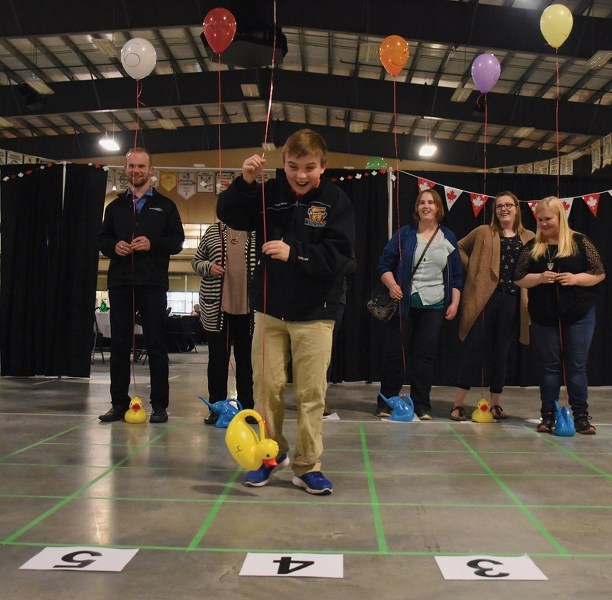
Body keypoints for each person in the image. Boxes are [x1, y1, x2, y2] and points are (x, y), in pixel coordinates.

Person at [217, 128, 355, 495]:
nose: (301, 175)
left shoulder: (336, 201)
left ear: (323, 166)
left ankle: (308, 466)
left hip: (316, 313)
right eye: (293, 166)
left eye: (309, 167)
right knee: (266, 388)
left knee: (312, 393)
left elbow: (340, 257)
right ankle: (270, 454)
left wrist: (296, 253)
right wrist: (243, 183)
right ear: (283, 163)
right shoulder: (268, 194)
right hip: (270, 311)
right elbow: (230, 214)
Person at [98, 147, 185, 423]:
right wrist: (114, 246)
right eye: (131, 166)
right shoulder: (114, 207)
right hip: (121, 283)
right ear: (125, 170)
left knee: (157, 344)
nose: (136, 170)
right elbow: (101, 240)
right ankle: (118, 403)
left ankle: (160, 405)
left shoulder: (166, 206)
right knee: (120, 345)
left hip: (153, 284)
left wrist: (152, 244)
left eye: (141, 166)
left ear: (151, 171)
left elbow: (177, 242)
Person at [514, 196, 605, 435]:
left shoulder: (580, 242)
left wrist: (575, 279)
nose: (544, 224)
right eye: (540, 219)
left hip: (579, 314)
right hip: (544, 316)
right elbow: (519, 277)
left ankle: (581, 417)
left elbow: (598, 273)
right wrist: (540, 278)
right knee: (550, 367)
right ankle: (548, 416)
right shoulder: (532, 247)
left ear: (560, 217)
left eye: (548, 219)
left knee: (576, 366)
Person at [376, 188, 462, 419]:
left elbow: (456, 276)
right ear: (417, 207)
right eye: (422, 202)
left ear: (438, 208)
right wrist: (392, 286)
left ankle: (422, 404)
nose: (426, 206)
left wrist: (454, 303)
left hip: (435, 305)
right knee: (396, 354)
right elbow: (384, 265)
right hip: (404, 303)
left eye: (431, 202)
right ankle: (386, 401)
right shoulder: (404, 234)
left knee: (425, 356)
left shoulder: (448, 237)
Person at [450, 191, 535, 421]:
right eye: (499, 206)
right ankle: (458, 404)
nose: (504, 209)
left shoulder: (529, 237)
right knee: (473, 348)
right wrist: (474, 270)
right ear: (495, 211)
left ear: (517, 209)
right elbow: (457, 247)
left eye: (509, 205)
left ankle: (496, 403)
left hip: (513, 299)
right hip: (485, 298)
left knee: (501, 353)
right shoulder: (483, 232)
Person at [192, 221, 256, 425]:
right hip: (216, 308)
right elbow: (196, 261)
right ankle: (216, 407)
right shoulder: (212, 231)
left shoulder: (257, 231)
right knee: (218, 360)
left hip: (249, 310)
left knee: (246, 362)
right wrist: (208, 267)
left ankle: (247, 408)